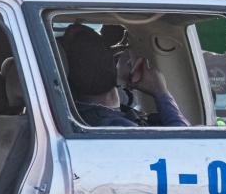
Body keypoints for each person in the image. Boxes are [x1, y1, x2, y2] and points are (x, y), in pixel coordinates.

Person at [59, 22, 189, 128]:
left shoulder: (78, 115)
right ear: (114, 61)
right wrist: (160, 92)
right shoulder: (114, 126)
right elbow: (184, 143)